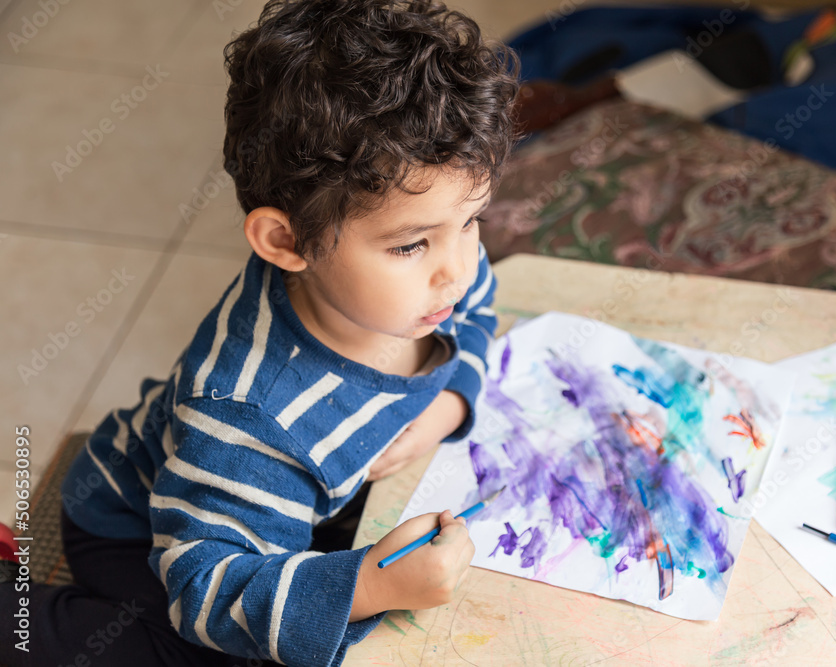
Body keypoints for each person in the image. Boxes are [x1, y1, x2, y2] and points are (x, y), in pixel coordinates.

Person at [0, 1, 520, 665]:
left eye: (472, 220)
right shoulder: (251, 418)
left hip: (265, 501)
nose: (459, 268)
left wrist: (448, 402)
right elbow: (207, 591)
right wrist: (368, 584)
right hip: (147, 529)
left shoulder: (429, 286)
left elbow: (475, 308)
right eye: (411, 245)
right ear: (286, 240)